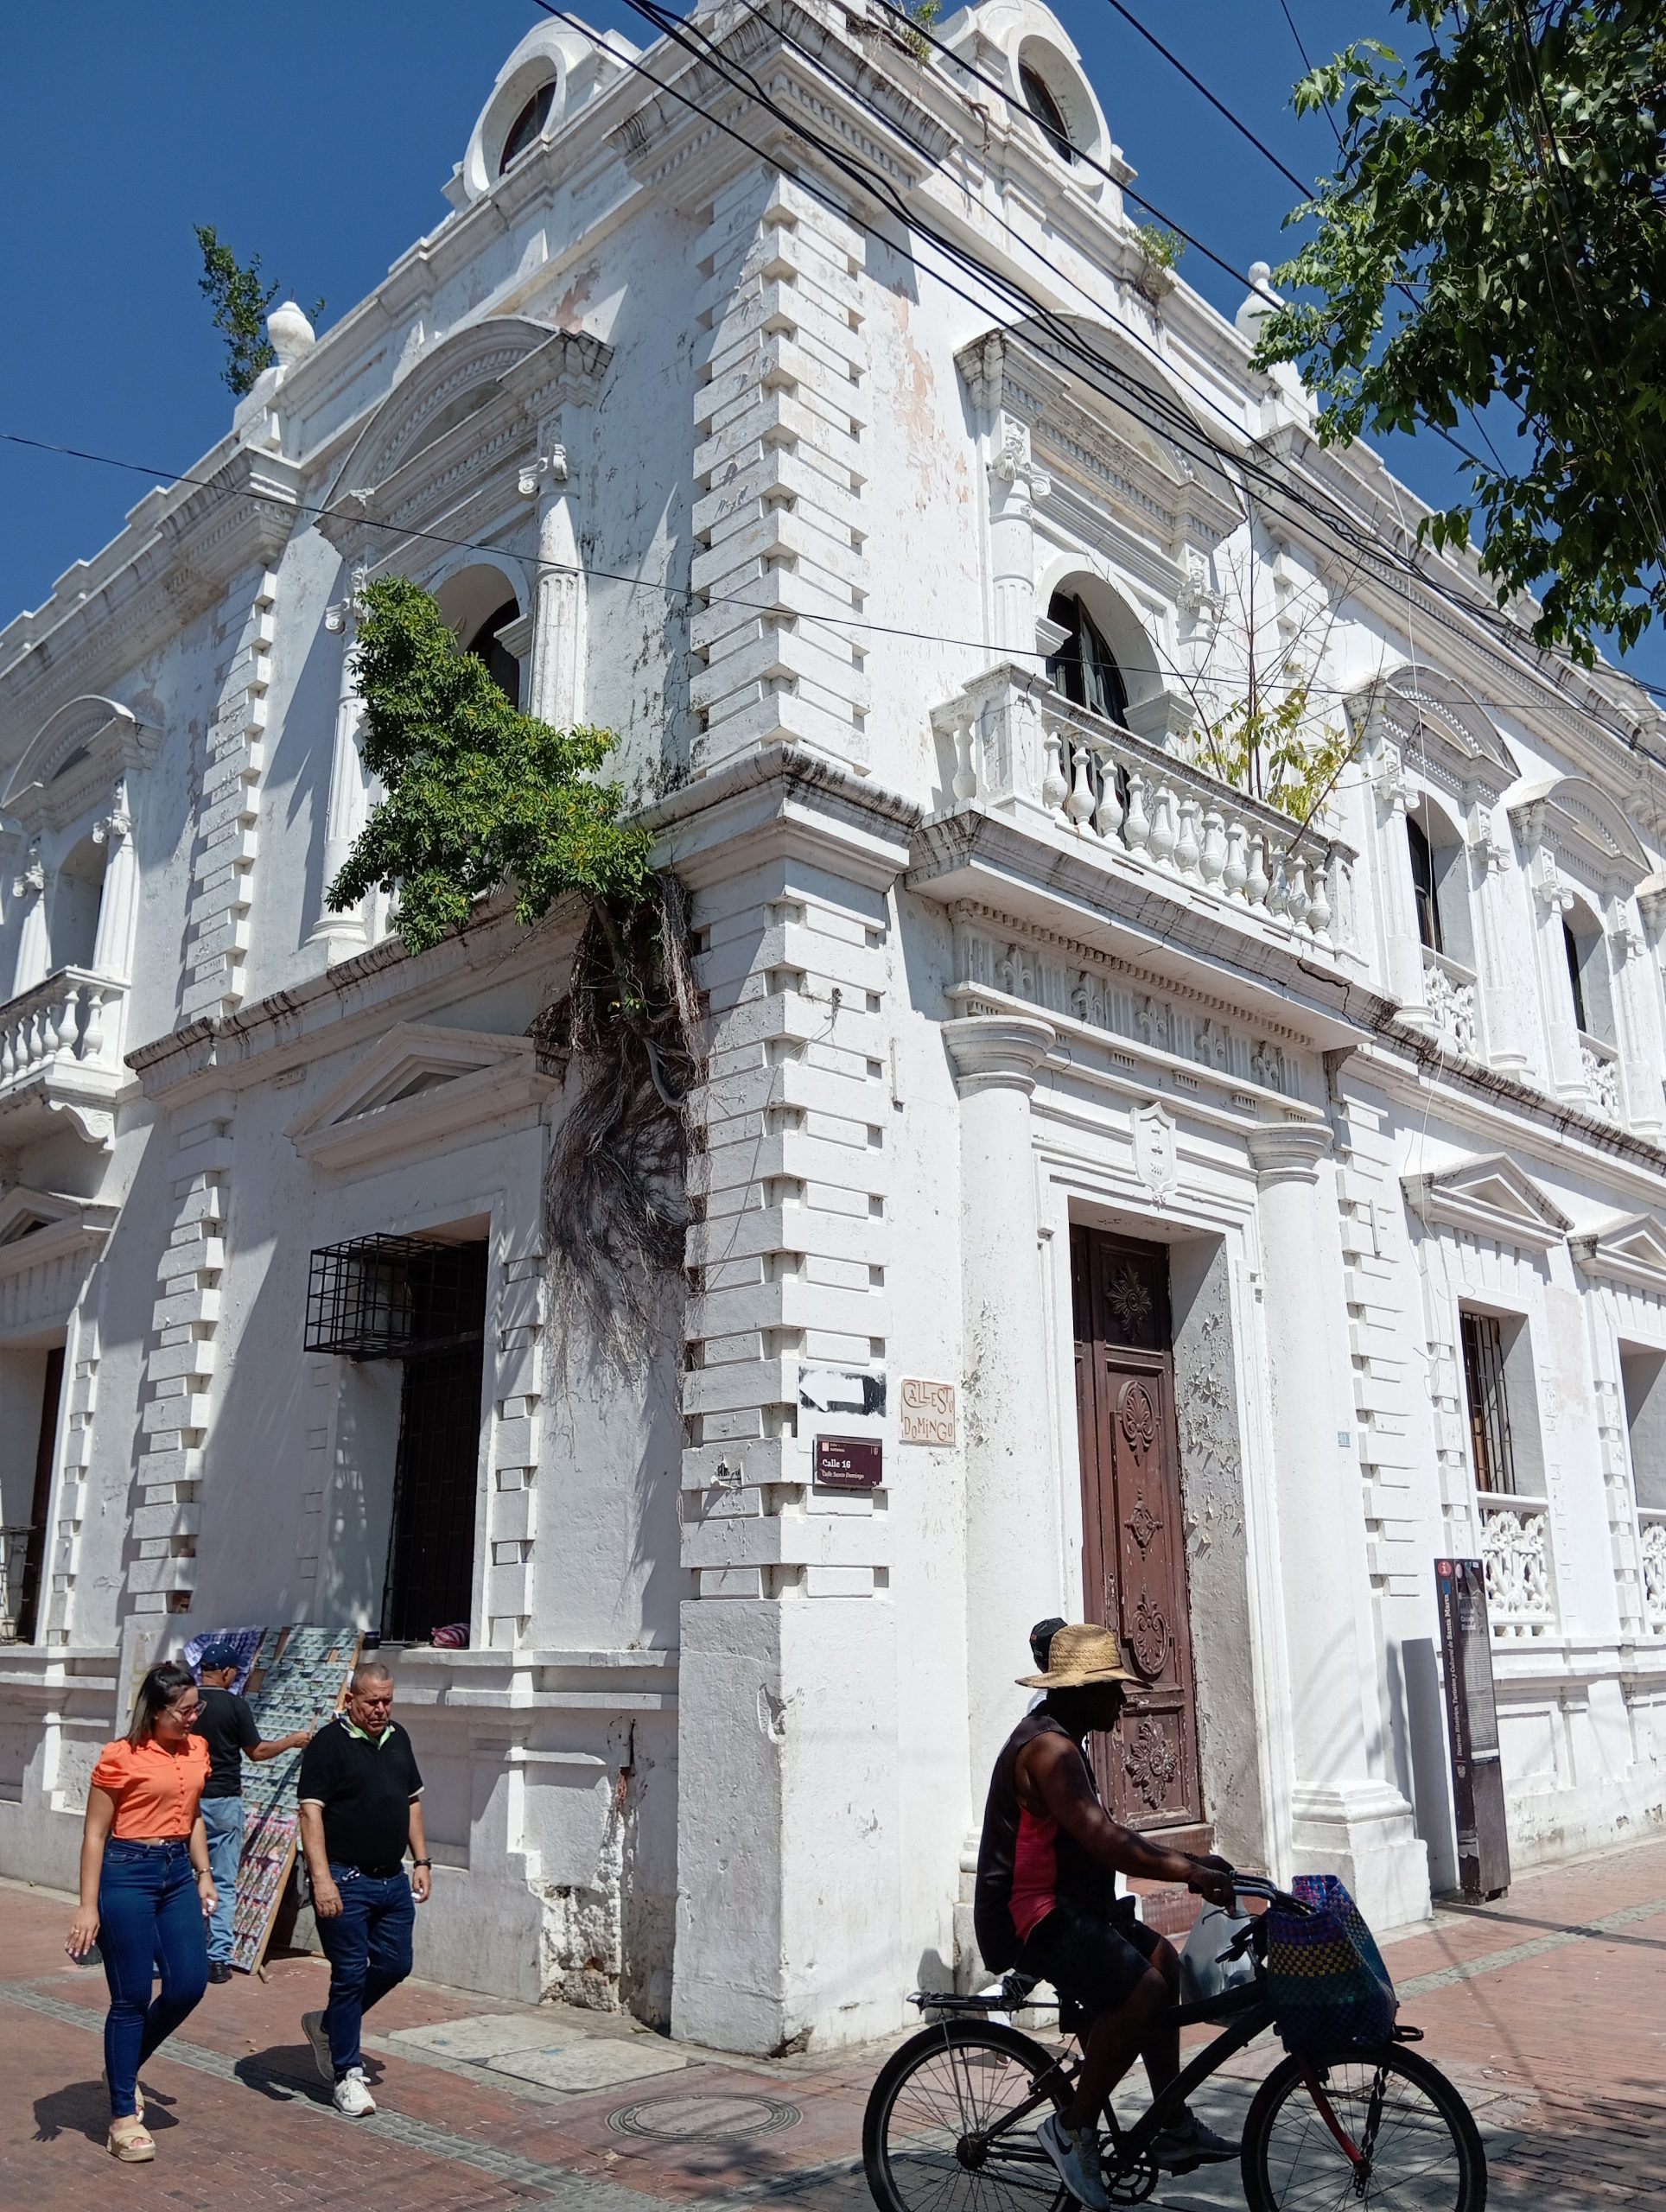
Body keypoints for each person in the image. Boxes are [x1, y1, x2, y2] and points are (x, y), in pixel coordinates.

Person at [975, 1622, 1240, 2211]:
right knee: (1142, 1992)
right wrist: (1190, 1870)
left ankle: (1170, 2121)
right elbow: (1105, 1841)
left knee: (1163, 1962)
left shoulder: (1066, 1741)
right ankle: (1072, 2129)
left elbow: (1106, 1837)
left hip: (1073, 1904)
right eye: (1112, 1687)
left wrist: (1193, 1863)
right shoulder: (1049, 1751)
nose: (1122, 1699)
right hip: (1030, 1913)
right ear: (1082, 1691)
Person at [66, 1661, 217, 2164]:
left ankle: (123, 2066)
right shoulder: (121, 1755)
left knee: (188, 1985)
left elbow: (193, 1816)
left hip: (177, 1875)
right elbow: (94, 1834)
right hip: (127, 1873)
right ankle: (121, 2117)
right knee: (131, 1997)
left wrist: (204, 1873)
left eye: (197, 1708)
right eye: (184, 1711)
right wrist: (87, 1906)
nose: (193, 1718)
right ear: (155, 1711)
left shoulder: (197, 1749)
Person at [296, 1660, 430, 2117]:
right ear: (350, 1699)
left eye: (387, 1701)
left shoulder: (398, 1738)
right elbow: (310, 1813)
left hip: (392, 1879)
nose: (381, 1710)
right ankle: (346, 2074)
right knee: (350, 1973)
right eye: (372, 1701)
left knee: (396, 1964)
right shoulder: (328, 1745)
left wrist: (422, 1861)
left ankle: (329, 2026)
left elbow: (411, 1801)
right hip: (345, 1879)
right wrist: (322, 1880)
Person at [192, 1643, 314, 1980]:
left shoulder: (185, 1703)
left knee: (184, 1879)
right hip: (224, 1802)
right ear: (227, 1672)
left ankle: (181, 1949)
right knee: (222, 1880)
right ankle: (218, 1959)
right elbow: (257, 1752)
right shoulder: (235, 1706)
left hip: (188, 1800)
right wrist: (292, 1741)